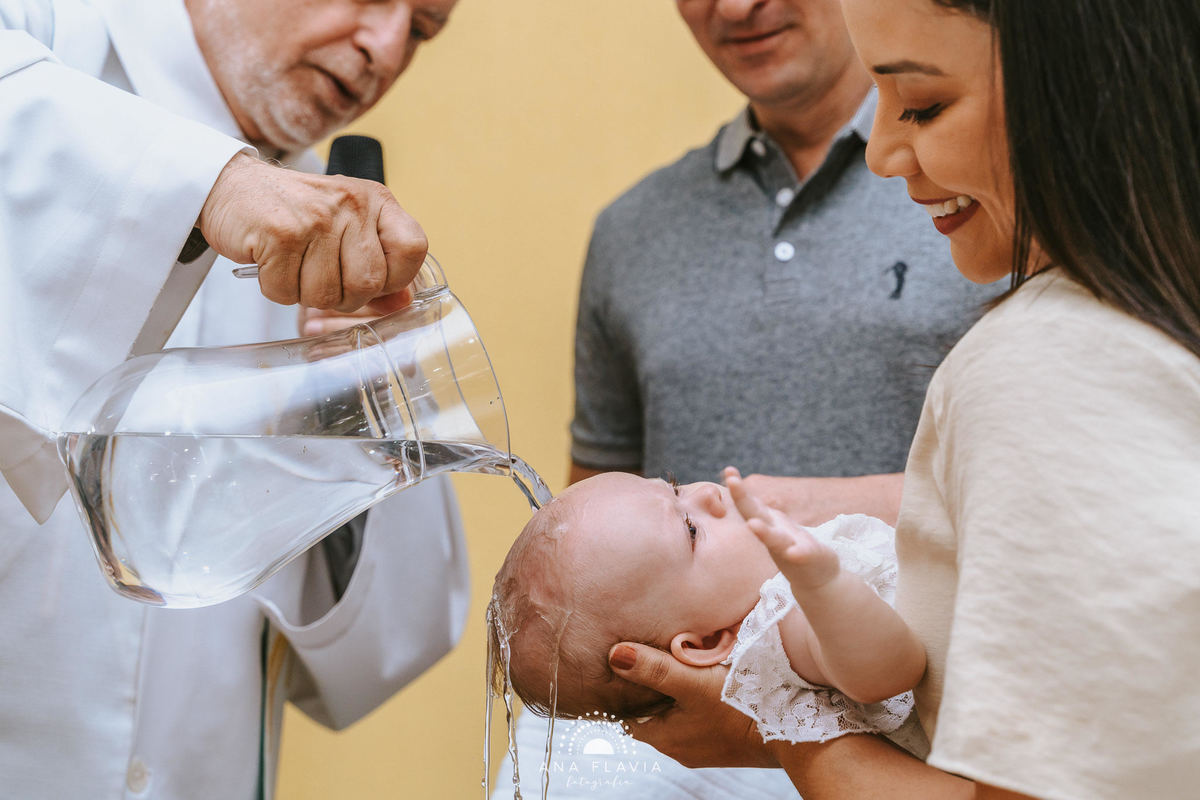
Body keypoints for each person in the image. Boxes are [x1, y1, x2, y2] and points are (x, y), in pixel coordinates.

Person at [605, 0, 1200, 797]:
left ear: (1085, 83)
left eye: (922, 104)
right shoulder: (1129, 323)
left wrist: (789, 729)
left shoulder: (1039, 363)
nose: (882, 153)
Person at [495, 0, 998, 795]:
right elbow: (586, 531)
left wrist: (805, 521)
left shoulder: (981, 190)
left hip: (950, 734)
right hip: (688, 749)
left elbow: (1080, 487)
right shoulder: (632, 232)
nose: (735, 7)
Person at [0, 0, 468, 797]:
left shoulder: (334, 238)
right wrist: (206, 183)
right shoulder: (42, 33)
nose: (385, 50)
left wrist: (360, 408)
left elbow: (385, 650)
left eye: (422, 30)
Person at [490, 470, 927, 753]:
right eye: (691, 529)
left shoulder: (787, 583)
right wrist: (824, 586)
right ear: (707, 642)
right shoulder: (780, 627)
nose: (708, 492)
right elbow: (889, 673)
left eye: (675, 487)